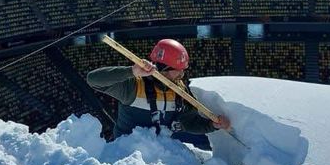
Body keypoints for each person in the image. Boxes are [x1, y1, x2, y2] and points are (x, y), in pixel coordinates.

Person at [86, 38, 231, 143]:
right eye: (178, 71)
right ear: (164, 70)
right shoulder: (134, 87)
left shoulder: (179, 89)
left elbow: (188, 121)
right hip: (128, 154)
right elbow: (93, 80)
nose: (182, 75)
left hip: (162, 154)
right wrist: (131, 71)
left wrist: (211, 125)